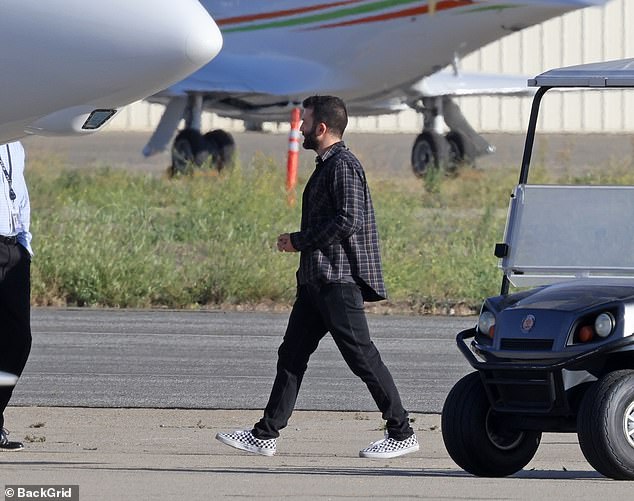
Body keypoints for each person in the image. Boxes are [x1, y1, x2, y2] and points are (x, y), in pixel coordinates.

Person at [216, 96, 418, 459]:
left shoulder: (343, 165)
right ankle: (266, 434)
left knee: (361, 357)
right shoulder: (327, 165)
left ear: (321, 128)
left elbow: (347, 220)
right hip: (315, 283)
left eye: (305, 121)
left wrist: (299, 241)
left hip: (336, 282)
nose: (300, 127)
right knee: (291, 355)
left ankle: (401, 431)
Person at [0, 141, 33, 451]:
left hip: (13, 249)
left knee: (18, 340)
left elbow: (19, 194)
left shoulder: (15, 144)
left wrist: (25, 246)